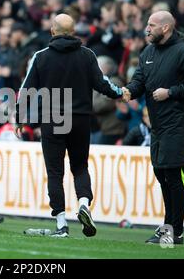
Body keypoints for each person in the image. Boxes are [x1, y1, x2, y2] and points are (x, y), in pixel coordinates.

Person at [14, 14, 127, 237]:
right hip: (81, 119)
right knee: (80, 167)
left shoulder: (41, 57)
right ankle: (84, 203)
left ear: (53, 31)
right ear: (74, 32)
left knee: (55, 172)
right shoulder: (87, 55)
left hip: (52, 119)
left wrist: (20, 118)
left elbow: (26, 91)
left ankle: (61, 225)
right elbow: (103, 84)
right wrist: (121, 93)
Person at [123, 11, 184, 245]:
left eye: (151, 25)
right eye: (147, 24)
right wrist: (127, 91)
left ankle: (175, 231)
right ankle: (168, 226)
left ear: (166, 28)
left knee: (174, 176)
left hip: (177, 125)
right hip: (157, 127)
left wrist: (170, 92)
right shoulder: (148, 52)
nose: (146, 29)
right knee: (162, 175)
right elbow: (139, 81)